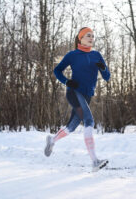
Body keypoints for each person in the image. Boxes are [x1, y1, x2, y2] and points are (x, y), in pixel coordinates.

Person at [44, 27, 110, 172]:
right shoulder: (73, 55)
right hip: (74, 92)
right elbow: (57, 70)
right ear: (80, 38)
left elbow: (107, 77)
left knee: (72, 126)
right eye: (88, 36)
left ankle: (52, 140)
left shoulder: (97, 55)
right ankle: (95, 161)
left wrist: (103, 68)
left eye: (93, 36)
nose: (91, 38)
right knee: (89, 120)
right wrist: (67, 82)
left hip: (88, 94)